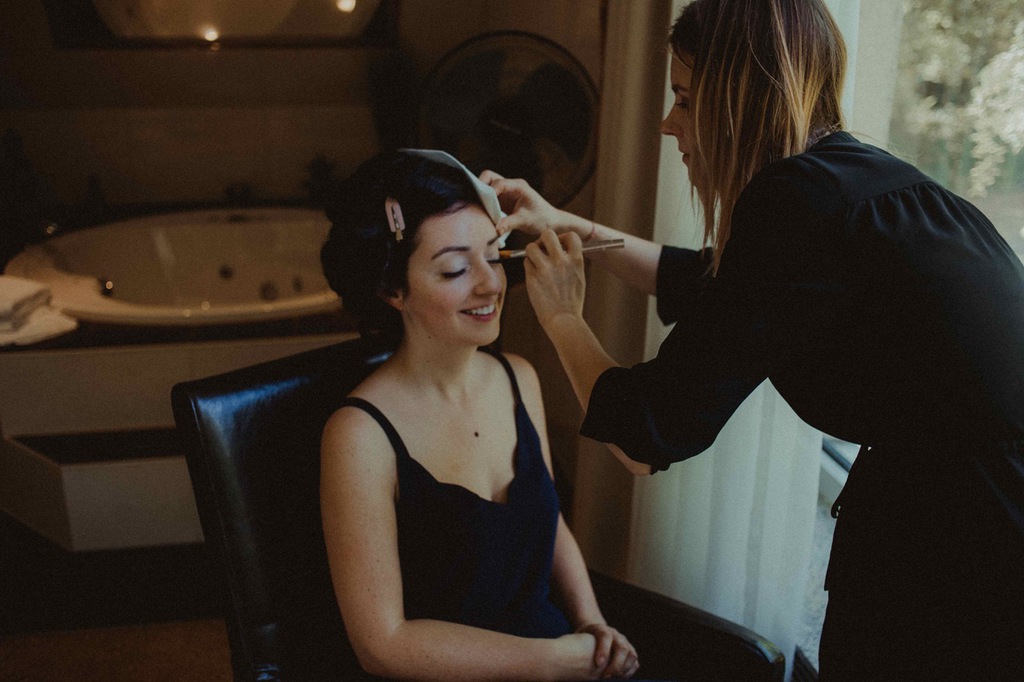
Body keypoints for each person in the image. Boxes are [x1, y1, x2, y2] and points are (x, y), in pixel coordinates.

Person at [482, 0, 1024, 679]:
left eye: (685, 98)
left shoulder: (796, 200)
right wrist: (567, 224)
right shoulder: (851, 179)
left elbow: (646, 437)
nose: (668, 123)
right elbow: (713, 288)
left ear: (741, 99)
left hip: (962, 556)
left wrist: (563, 317)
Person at [317, 149, 642, 681]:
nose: (491, 285)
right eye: (454, 269)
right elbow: (382, 644)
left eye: (494, 256)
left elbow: (548, 522)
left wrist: (592, 623)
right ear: (392, 289)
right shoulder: (359, 435)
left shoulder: (519, 379)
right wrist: (554, 660)